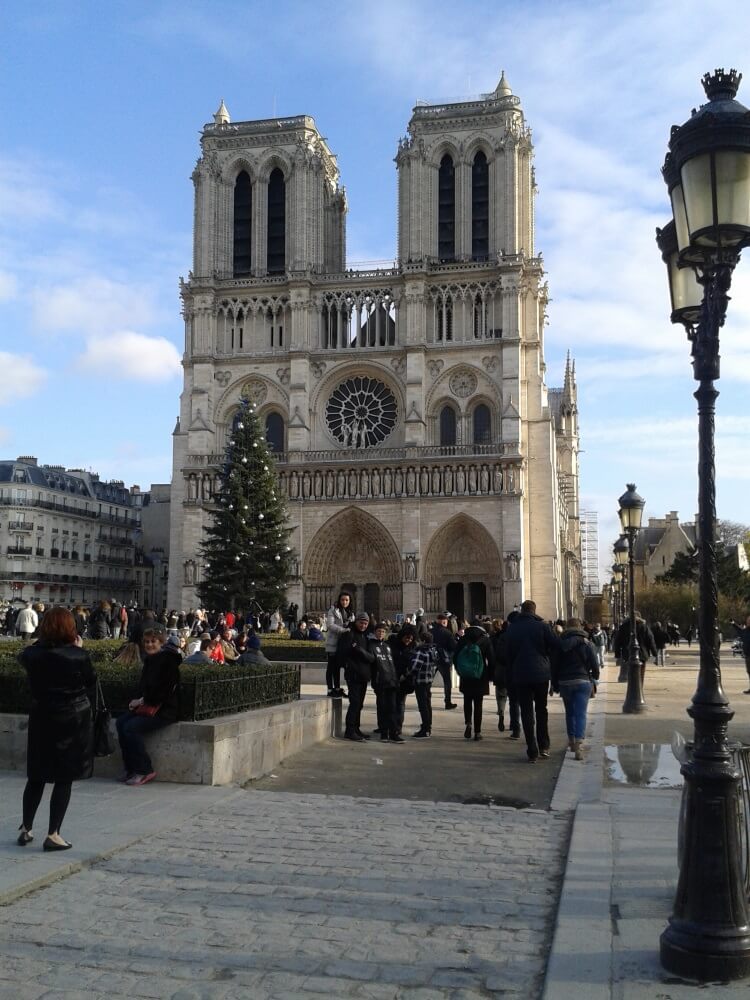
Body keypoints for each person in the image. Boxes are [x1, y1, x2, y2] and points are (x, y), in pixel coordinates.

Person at [17, 607, 95, 851]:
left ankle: (26, 828)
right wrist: (78, 649)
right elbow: (91, 680)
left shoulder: (31, 654)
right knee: (64, 777)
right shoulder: (77, 656)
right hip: (71, 718)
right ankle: (53, 833)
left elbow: (28, 657)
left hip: (42, 716)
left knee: (37, 774)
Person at [115, 622, 181, 786]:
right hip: (149, 706)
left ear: (161, 643)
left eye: (153, 642)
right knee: (121, 722)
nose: (149, 645)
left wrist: (141, 700)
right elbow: (144, 687)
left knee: (131, 727)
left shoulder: (168, 662)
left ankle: (144, 769)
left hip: (164, 710)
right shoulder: (150, 661)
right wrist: (135, 701)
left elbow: (164, 691)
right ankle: (130, 767)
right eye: (147, 642)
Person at [506, 599, 560, 763]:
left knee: (526, 712)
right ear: (534, 611)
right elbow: (557, 645)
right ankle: (544, 745)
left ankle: (532, 749)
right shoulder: (543, 626)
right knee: (541, 709)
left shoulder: (512, 628)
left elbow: (507, 655)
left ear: (522, 610)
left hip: (521, 674)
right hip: (541, 674)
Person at [551, 618, 599, 761]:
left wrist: (554, 684)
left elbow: (554, 665)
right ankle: (579, 743)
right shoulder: (587, 643)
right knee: (581, 714)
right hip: (582, 680)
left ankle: (571, 741)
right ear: (580, 627)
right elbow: (594, 664)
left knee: (570, 713)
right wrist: (595, 676)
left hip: (565, 681)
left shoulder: (560, 643)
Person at [338, 612, 375, 741]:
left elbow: (371, 657)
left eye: (366, 623)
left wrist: (359, 650)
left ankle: (356, 729)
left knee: (360, 704)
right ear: (356, 622)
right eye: (361, 622)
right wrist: (349, 665)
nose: (363, 625)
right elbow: (342, 654)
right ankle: (349, 730)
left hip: (363, 675)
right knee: (354, 703)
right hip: (353, 674)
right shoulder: (349, 634)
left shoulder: (365, 637)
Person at [454, 622, 494, 741]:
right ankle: (477, 732)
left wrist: (459, 671)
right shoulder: (485, 640)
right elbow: (492, 659)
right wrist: (490, 675)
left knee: (467, 700)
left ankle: (468, 723)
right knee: (478, 703)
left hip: (466, 675)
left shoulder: (463, 639)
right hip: (480, 675)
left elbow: (455, 657)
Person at [370, 622, 404, 743]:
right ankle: (384, 733)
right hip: (380, 682)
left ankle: (394, 733)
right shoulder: (371, 645)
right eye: (379, 631)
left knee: (393, 708)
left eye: (383, 632)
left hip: (392, 681)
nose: (381, 633)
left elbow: (392, 664)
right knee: (382, 708)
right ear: (375, 632)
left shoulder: (388, 646)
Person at [325, 591, 354, 698]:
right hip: (333, 642)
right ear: (339, 600)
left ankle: (337, 688)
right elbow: (330, 625)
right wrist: (343, 630)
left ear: (350, 601)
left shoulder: (350, 613)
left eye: (347, 600)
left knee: (337, 667)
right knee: (331, 667)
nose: (344, 602)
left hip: (344, 644)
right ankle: (329, 689)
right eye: (342, 599)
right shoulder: (333, 610)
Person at [429, 612, 458, 710]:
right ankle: (447, 702)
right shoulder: (447, 632)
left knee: (429, 680)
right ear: (444, 621)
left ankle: (426, 700)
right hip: (443, 659)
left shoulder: (430, 631)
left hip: (431, 658)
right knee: (447, 681)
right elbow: (453, 646)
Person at [730, 615, 750, 693]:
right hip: (748, 656)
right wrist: (733, 623)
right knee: (749, 672)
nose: (748, 622)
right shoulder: (745, 631)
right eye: (748, 620)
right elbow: (739, 630)